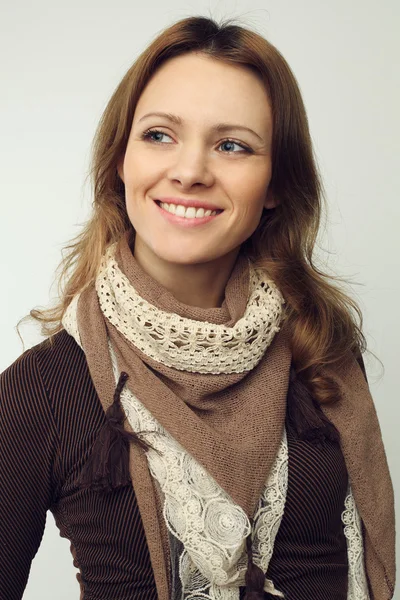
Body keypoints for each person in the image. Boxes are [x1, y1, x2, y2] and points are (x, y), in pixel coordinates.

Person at [0, 14, 395, 600]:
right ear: (120, 160)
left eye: (232, 145)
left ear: (277, 183)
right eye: (159, 135)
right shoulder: (44, 389)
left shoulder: (320, 345)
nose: (189, 171)